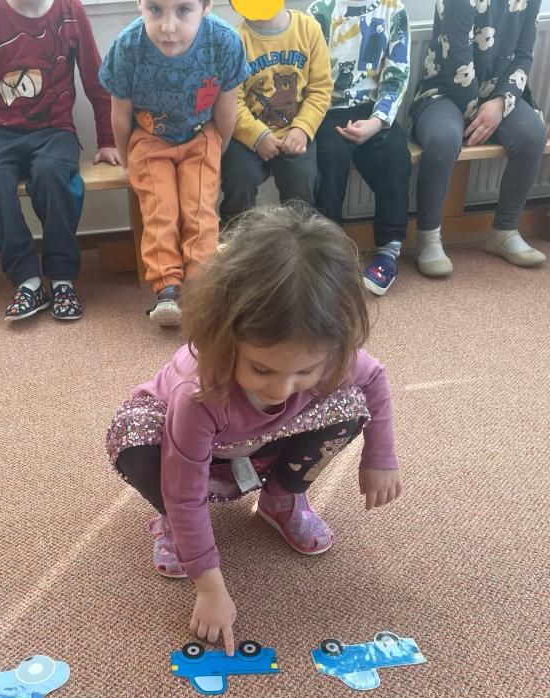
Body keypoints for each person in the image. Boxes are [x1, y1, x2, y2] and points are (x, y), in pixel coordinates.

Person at [106, 205, 401, 653]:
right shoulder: (198, 392)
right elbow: (185, 492)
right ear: (224, 338)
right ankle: (172, 526)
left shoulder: (327, 355)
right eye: (262, 369)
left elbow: (373, 377)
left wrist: (379, 456)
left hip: (261, 444)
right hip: (189, 450)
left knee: (350, 407)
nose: (281, 388)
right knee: (135, 442)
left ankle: (280, 499)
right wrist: (209, 587)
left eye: (304, 371)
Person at [0, 0, 120, 324]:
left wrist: (107, 140)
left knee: (51, 174)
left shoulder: (70, 11)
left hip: (56, 131)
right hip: (2, 132)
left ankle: (62, 280)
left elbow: (95, 80)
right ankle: (26, 281)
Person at [99, 0, 249, 328]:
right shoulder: (127, 46)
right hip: (149, 137)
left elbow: (226, 111)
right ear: (140, 4)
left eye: (183, 10)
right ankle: (167, 289)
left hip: (202, 135)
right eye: (155, 9)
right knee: (160, 210)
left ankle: (200, 288)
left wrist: (215, 152)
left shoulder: (225, 42)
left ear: (206, 6)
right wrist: (128, 161)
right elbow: (120, 115)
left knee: (199, 210)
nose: (168, 27)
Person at [410, 0, 547, 276]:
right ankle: (428, 238)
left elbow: (523, 56)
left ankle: (504, 231)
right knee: (443, 139)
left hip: (498, 95)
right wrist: (477, 115)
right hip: (444, 90)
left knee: (532, 135)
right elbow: (457, 62)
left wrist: (501, 103)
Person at [308, 0, 411, 296]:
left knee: (395, 156)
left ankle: (388, 251)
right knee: (329, 158)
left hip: (374, 111)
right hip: (328, 110)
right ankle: (329, 249)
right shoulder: (319, 12)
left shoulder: (394, 10)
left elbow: (396, 74)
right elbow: (310, 77)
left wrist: (377, 122)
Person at [219, 2, 332, 222]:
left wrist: (302, 129)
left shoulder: (309, 29)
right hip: (248, 135)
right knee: (239, 178)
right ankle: (234, 237)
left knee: (302, 184)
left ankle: (300, 236)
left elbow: (321, 90)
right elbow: (233, 102)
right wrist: (258, 136)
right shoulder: (235, 40)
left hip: (295, 132)